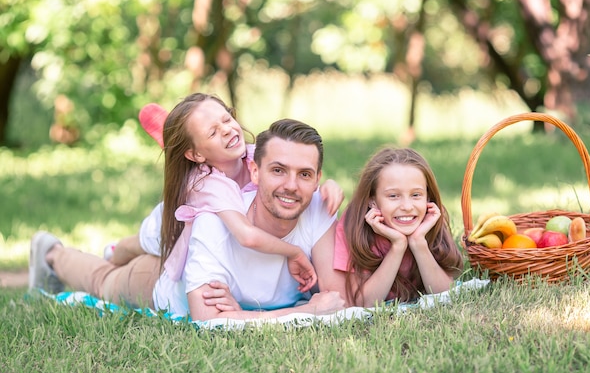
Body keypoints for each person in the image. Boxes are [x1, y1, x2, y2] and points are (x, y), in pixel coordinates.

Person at [29, 118, 345, 321]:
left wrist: (246, 315)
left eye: (304, 175)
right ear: (254, 170)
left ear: (318, 179)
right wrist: (304, 310)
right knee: (104, 279)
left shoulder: (319, 208)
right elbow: (209, 320)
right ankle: (51, 253)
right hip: (165, 279)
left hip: (184, 239)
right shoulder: (217, 216)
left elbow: (336, 298)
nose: (291, 185)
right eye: (278, 170)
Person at [105, 93, 344, 293]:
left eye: (227, 120)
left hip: (216, 207)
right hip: (171, 223)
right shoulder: (207, 184)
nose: (228, 130)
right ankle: (112, 255)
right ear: (197, 155)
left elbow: (292, 170)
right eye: (213, 132)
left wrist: (326, 186)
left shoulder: (252, 154)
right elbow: (247, 236)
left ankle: (186, 137)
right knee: (138, 245)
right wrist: (294, 253)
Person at [322, 147, 464, 307]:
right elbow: (364, 303)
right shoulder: (354, 226)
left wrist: (418, 242)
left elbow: (446, 295)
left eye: (416, 195)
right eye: (393, 196)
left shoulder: (429, 220)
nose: (407, 206)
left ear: (428, 197)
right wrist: (398, 246)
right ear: (372, 201)